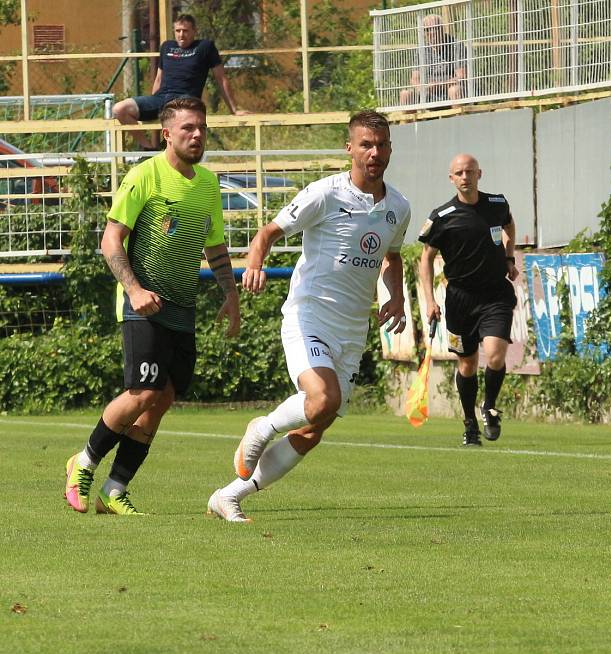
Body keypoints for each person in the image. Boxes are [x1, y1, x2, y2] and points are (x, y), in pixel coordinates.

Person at [206, 110, 411, 523]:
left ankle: (228, 496)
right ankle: (262, 427)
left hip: (352, 330)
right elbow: (268, 232)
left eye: (382, 144)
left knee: (315, 427)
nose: (375, 152)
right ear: (349, 148)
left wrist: (397, 296)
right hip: (309, 315)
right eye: (366, 144)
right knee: (322, 399)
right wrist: (255, 264)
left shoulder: (399, 208)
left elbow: (391, 256)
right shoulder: (325, 193)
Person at [64, 96, 241, 515]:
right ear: (167, 134)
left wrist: (230, 294)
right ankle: (83, 462)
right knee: (142, 393)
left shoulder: (208, 184)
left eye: (201, 127)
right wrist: (135, 289)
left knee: (161, 400)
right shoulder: (145, 175)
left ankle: (115, 488)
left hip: (183, 310)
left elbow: (214, 246)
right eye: (188, 129)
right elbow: (111, 240)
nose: (197, 135)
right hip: (143, 305)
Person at [418, 153, 517, 447]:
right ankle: (469, 422)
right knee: (467, 365)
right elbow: (426, 259)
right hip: (460, 300)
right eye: (459, 173)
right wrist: (429, 301)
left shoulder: (497, 204)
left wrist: (509, 257)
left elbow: (510, 226)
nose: (465, 177)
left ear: (479, 174)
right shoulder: (442, 216)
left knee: (496, 354)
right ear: (451, 178)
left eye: (470, 172)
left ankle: (489, 407)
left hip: (495, 295)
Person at [112, 14, 249, 150]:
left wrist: (234, 110)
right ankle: (148, 148)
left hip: (185, 101)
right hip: (161, 99)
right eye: (178, 31)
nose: (181, 35)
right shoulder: (167, 47)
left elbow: (221, 78)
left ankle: (172, 150)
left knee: (178, 120)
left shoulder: (205, 47)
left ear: (194, 31)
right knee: (119, 109)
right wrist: (153, 108)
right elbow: (159, 78)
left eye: (185, 31)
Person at [399, 14, 466, 106]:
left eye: (435, 28)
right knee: (405, 94)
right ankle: (410, 120)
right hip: (429, 93)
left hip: (451, 91)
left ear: (442, 28)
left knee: (454, 90)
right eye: (427, 30)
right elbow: (414, 79)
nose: (432, 32)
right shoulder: (422, 49)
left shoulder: (456, 45)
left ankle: (458, 119)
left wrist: (439, 85)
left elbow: (461, 76)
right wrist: (423, 88)